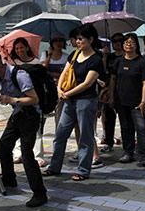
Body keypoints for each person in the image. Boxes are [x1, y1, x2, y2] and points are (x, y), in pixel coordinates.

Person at [0, 49, 48, 207]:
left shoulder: (19, 75)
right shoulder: (0, 77)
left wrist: (11, 99)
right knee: (4, 144)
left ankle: (40, 193)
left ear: (0, 62)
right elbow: (9, 97)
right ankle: (9, 179)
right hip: (18, 115)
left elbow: (33, 99)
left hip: (30, 116)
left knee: (26, 154)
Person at [42, 23, 104, 181]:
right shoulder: (75, 55)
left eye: (81, 39)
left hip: (86, 101)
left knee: (85, 136)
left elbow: (87, 84)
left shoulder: (96, 59)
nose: (78, 42)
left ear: (90, 39)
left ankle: (83, 170)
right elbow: (64, 73)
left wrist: (67, 93)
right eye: (77, 39)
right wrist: (59, 90)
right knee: (61, 134)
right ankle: (54, 167)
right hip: (69, 101)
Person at [109, 33, 145, 169]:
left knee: (141, 129)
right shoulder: (118, 61)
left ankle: (144, 157)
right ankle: (128, 152)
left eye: (132, 42)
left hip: (137, 103)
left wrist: (143, 101)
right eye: (126, 41)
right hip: (121, 101)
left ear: (136, 45)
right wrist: (111, 96)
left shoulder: (141, 62)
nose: (128, 43)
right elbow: (113, 79)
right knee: (126, 128)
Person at [9, 37, 44, 166]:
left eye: (21, 47)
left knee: (37, 128)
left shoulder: (36, 62)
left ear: (27, 48)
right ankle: (18, 154)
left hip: (34, 98)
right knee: (18, 125)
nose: (19, 50)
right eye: (16, 48)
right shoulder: (13, 63)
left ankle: (38, 155)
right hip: (19, 99)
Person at [100, 33, 124, 153]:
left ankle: (128, 142)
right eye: (114, 41)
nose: (117, 43)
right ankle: (109, 142)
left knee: (125, 119)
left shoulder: (127, 56)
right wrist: (104, 56)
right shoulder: (110, 56)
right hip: (110, 90)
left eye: (120, 40)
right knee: (109, 118)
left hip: (124, 90)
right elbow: (104, 71)